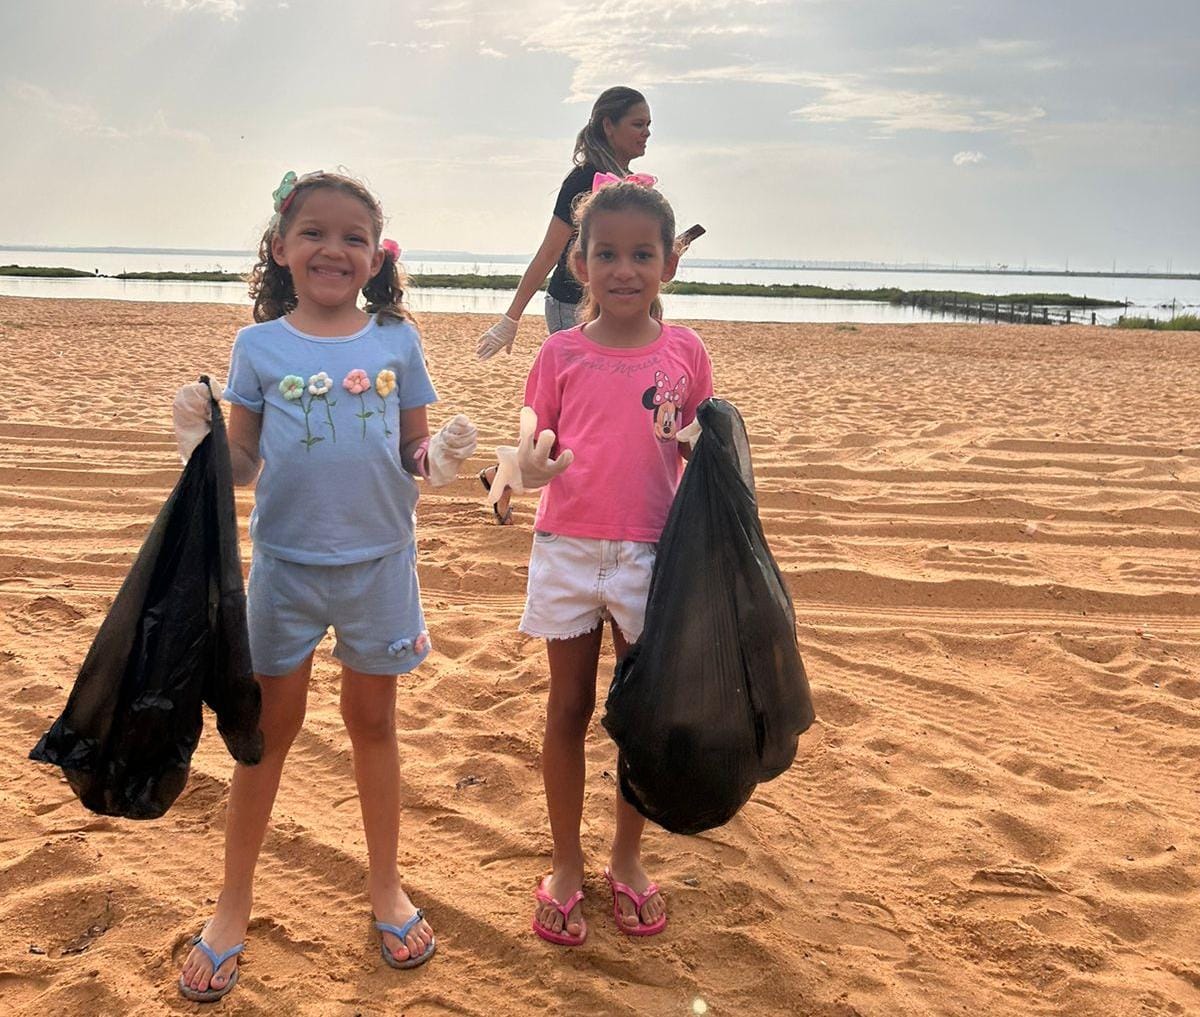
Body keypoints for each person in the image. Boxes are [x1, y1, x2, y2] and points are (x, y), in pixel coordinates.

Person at [172, 170, 478, 1001]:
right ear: (280, 247)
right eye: (313, 231)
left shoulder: (396, 341)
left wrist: (438, 461)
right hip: (286, 568)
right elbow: (241, 464)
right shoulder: (259, 346)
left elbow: (416, 456)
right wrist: (202, 443)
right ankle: (233, 902)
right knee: (266, 734)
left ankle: (385, 883)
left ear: (377, 256)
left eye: (352, 236)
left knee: (373, 723)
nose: (332, 248)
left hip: (381, 564)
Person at [509, 176, 713, 946]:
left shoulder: (685, 350)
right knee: (566, 709)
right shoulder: (560, 350)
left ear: (667, 264)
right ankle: (566, 863)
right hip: (566, 548)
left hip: (652, 554)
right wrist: (523, 460)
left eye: (641, 253)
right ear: (580, 266)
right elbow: (535, 426)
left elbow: (702, 446)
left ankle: (626, 858)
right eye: (605, 254)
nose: (623, 268)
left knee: (636, 714)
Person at [474, 86, 652, 525]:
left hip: (615, 309)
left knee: (584, 410)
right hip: (573, 306)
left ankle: (503, 475)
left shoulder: (630, 186)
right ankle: (512, 476)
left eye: (649, 126)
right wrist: (510, 317)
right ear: (608, 126)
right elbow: (551, 250)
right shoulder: (583, 181)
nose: (647, 134)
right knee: (575, 411)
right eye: (638, 124)